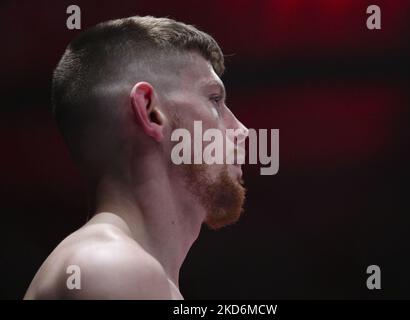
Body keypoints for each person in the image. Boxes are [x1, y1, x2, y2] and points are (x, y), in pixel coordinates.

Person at [24, 16, 248, 300]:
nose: (242, 130)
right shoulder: (113, 266)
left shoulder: (123, 268)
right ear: (150, 110)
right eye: (214, 99)